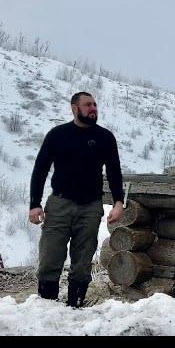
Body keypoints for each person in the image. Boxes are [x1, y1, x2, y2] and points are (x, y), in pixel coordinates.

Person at [29, 91, 125, 308]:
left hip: (90, 207)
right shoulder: (57, 135)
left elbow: (114, 172)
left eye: (95, 105)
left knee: (82, 264)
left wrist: (119, 202)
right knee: (49, 259)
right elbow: (40, 169)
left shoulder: (105, 137)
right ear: (74, 108)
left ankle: (75, 308)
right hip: (59, 204)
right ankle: (45, 310)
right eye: (88, 105)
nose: (93, 108)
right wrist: (34, 204)